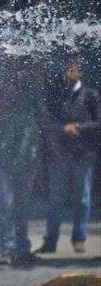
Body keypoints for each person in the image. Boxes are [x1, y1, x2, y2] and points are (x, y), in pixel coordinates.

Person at [36, 58, 99, 255]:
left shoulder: (91, 95)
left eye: (71, 70)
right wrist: (63, 129)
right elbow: (47, 124)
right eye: (65, 70)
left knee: (82, 198)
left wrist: (79, 127)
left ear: (80, 73)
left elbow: (98, 123)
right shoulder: (57, 95)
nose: (67, 74)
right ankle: (51, 239)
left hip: (83, 154)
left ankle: (79, 238)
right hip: (60, 155)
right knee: (56, 199)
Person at [0, 60, 46, 266]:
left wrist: (41, 158)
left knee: (22, 207)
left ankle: (23, 247)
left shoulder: (32, 96)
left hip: (26, 158)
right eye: (13, 70)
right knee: (6, 205)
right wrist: (5, 98)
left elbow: (42, 125)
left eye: (20, 71)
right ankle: (8, 248)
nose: (17, 75)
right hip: (0, 160)